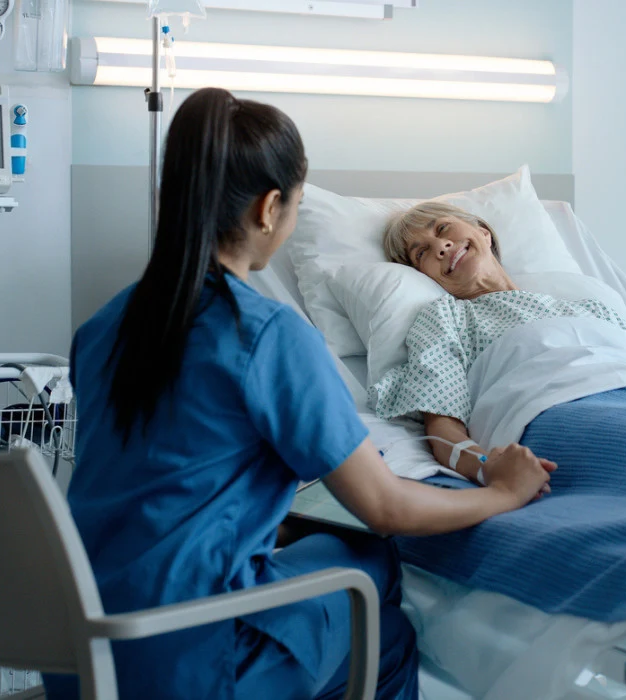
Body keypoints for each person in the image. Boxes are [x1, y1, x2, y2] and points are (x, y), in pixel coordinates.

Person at [42, 89, 554, 700]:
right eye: (298, 206)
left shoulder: (101, 330)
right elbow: (386, 509)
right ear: (269, 208)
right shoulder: (266, 335)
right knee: (375, 590)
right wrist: (503, 492)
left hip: (77, 653)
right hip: (191, 664)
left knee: (328, 553)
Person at [371, 201, 626, 479]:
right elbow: (443, 427)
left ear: (483, 233)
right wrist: (487, 467)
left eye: (443, 229)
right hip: (565, 416)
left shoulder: (589, 308)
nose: (441, 246)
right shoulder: (446, 319)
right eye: (422, 253)